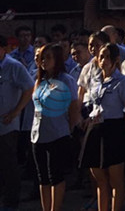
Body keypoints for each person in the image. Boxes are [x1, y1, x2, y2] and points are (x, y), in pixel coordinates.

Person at [81, 44, 125, 211]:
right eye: (100, 56)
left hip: (114, 129)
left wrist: (124, 131)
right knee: (100, 179)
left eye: (106, 57)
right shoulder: (96, 81)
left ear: (115, 60)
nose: (102, 60)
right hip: (96, 128)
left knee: (116, 180)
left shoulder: (123, 81)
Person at [31, 43, 81, 211]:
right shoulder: (40, 80)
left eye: (48, 58)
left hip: (57, 134)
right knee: (42, 177)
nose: (44, 61)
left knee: (55, 175)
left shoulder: (65, 80)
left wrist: (69, 128)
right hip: (38, 134)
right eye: (42, 58)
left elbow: (74, 107)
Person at [0, 33, 34, 211]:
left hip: (7, 125)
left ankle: (11, 202)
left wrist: (15, 112)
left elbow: (29, 88)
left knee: (9, 165)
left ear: (4, 49)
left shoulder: (14, 66)